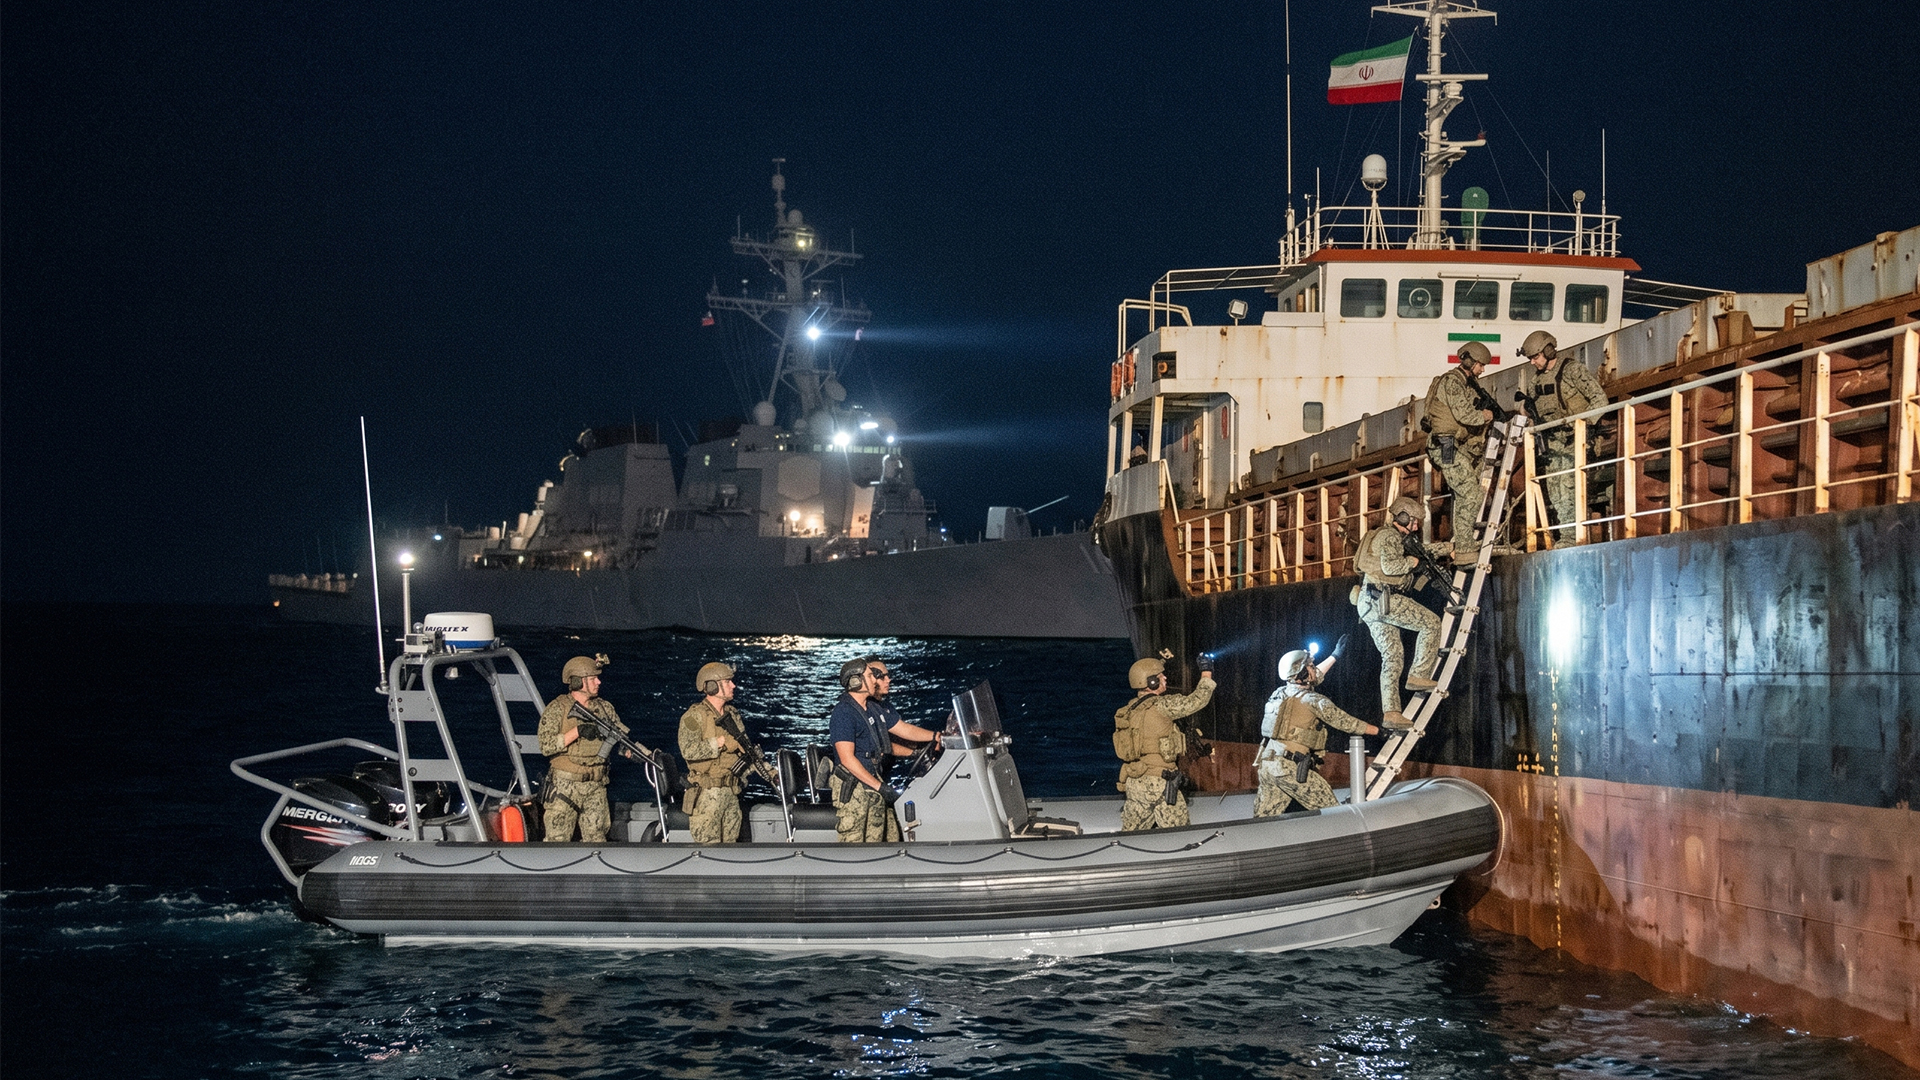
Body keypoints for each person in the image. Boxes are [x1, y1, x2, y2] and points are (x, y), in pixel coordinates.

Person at [1256, 646, 1400, 817]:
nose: (1314, 669)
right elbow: (1345, 722)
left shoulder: (1279, 694)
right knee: (1333, 812)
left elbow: (1314, 676)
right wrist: (1379, 731)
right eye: (1310, 666)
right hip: (1290, 769)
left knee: (1265, 818)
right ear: (1302, 674)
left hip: (1268, 764)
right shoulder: (1314, 701)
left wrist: (1335, 655)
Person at [1351, 496, 1449, 727]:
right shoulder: (1391, 537)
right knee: (1431, 623)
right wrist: (1411, 564)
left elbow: (1419, 551)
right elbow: (1391, 567)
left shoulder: (1383, 536)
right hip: (1383, 599)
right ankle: (1419, 674)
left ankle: (1392, 713)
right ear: (1403, 517)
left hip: (1368, 604)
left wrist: (1446, 549)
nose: (1416, 526)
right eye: (1414, 522)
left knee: (1392, 657)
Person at [828, 656, 936, 842]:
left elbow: (901, 730)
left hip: (871, 781)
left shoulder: (871, 709)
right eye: (870, 676)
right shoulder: (843, 713)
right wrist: (880, 787)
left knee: (889, 836)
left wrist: (936, 737)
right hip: (855, 789)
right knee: (855, 842)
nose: (875, 681)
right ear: (856, 681)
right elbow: (846, 759)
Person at [1518, 330, 1609, 544]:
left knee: (1569, 487)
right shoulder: (1535, 382)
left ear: (1549, 351)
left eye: (1535, 357)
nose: (1532, 362)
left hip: (1574, 440)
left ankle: (1571, 536)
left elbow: (1600, 400)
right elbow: (1531, 409)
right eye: (1530, 358)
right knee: (1554, 490)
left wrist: (1580, 423)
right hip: (1551, 444)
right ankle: (1566, 534)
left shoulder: (1572, 371)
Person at [1112, 656, 1214, 831]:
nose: (1165, 678)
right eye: (1160, 676)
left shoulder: (1128, 710)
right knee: (1178, 834)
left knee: (1131, 834)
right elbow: (1197, 701)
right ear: (1151, 682)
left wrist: (1161, 661)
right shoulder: (1163, 705)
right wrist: (1206, 671)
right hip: (1160, 783)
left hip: (1135, 781)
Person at [537, 654, 629, 843]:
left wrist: (633, 752)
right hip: (564, 785)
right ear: (578, 682)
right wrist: (576, 732)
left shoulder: (604, 708)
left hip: (595, 785)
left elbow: (620, 738)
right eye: (593, 678)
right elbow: (545, 746)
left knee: (597, 839)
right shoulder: (557, 709)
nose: (598, 682)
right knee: (557, 840)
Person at [1424, 340, 1497, 559]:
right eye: (1480, 365)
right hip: (1445, 446)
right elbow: (1465, 415)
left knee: (1467, 493)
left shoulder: (1467, 383)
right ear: (1469, 361)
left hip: (1454, 446)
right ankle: (1465, 547)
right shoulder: (1453, 382)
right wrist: (1485, 415)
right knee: (1471, 494)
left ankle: (1462, 541)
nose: (1482, 369)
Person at [677, 661, 762, 844]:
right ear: (713, 686)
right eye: (727, 682)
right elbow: (688, 750)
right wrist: (720, 743)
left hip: (730, 793)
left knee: (730, 848)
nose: (734, 685)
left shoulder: (732, 715)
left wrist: (768, 771)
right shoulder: (694, 716)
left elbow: (744, 747)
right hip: (707, 796)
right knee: (708, 850)